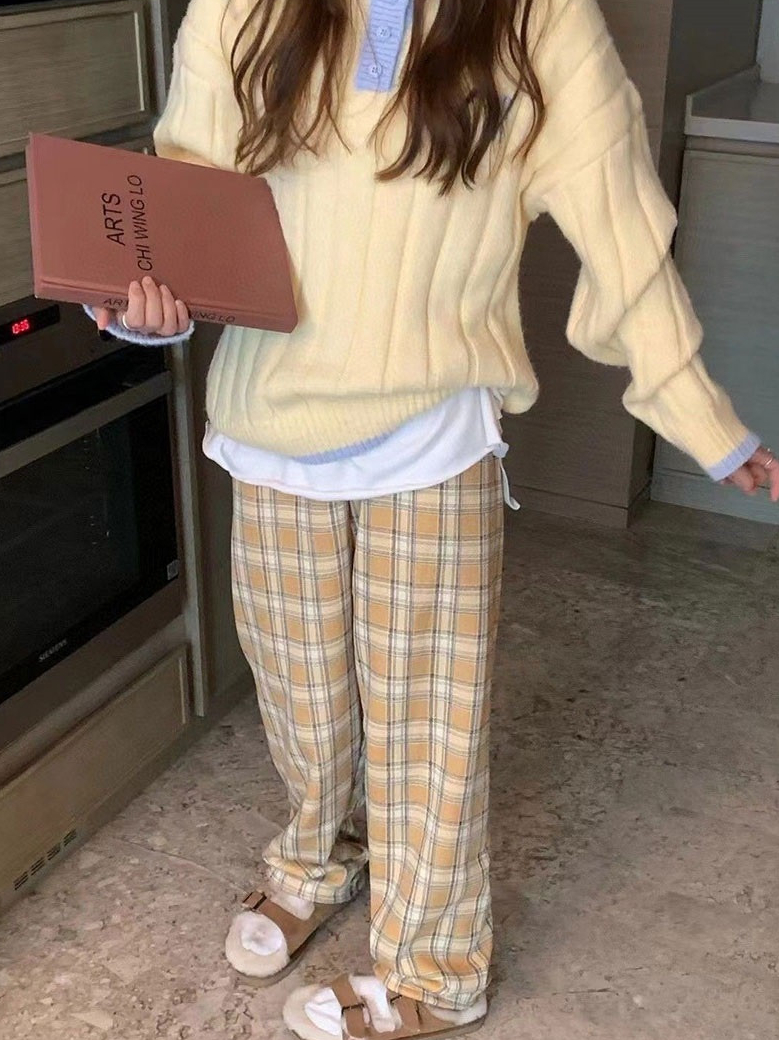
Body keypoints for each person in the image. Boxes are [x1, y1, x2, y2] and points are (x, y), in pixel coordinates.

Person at [89, 0, 779, 1036]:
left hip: (433, 436)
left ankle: (434, 971)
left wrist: (699, 415)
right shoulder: (236, 7)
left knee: (427, 725)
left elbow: (621, 225)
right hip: (269, 428)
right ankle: (317, 857)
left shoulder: (540, 21)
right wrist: (138, 301)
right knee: (303, 703)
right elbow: (185, 202)